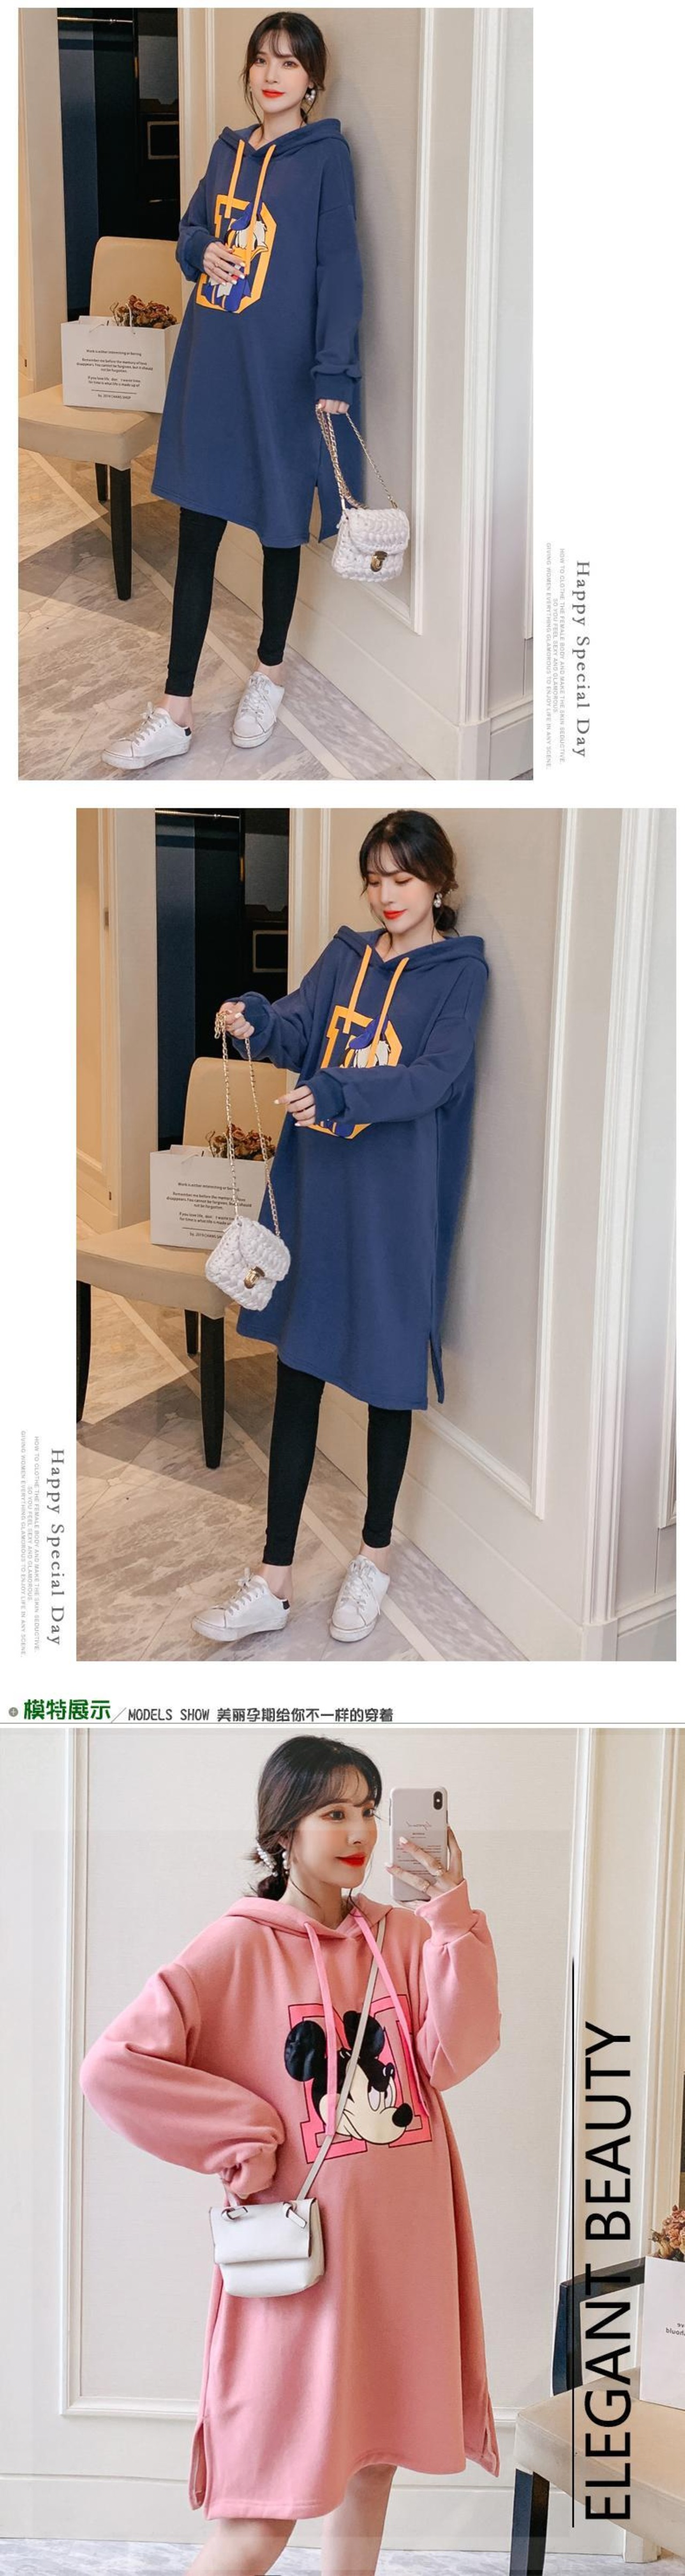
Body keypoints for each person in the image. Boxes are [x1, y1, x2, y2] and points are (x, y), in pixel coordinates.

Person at [79, 1734, 501, 2576]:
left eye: (368, 1810)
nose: (361, 1831)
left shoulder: (406, 1935)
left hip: (403, 2251)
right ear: (283, 1831)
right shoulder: (235, 1946)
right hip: (306, 2268)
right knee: (262, 2516)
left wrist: (450, 1913)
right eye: (334, 1812)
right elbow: (113, 2069)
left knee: (372, 2468)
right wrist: (244, 2132)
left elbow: (459, 2051)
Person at [193, 811, 490, 1648]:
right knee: (300, 1370)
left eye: (403, 878)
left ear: (439, 882)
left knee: (389, 1378)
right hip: (318, 1191)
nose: (387, 895)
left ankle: (374, 1556)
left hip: (395, 1206)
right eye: (375, 879)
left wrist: (340, 1092)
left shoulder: (461, 974)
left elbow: (435, 1077)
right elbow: (299, 1026)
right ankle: (273, 1578)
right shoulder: (347, 957)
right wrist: (256, 1017)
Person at [103, 13, 362, 770]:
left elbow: (340, 270)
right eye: (262, 60)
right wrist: (203, 248)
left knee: (280, 525)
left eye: (289, 63)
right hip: (212, 367)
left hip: (282, 377)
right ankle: (174, 708)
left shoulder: (325, 158)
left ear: (312, 80)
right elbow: (190, 231)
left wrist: (334, 372)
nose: (272, 74)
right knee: (198, 527)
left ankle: (269, 674)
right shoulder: (227, 153)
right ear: (249, 72)